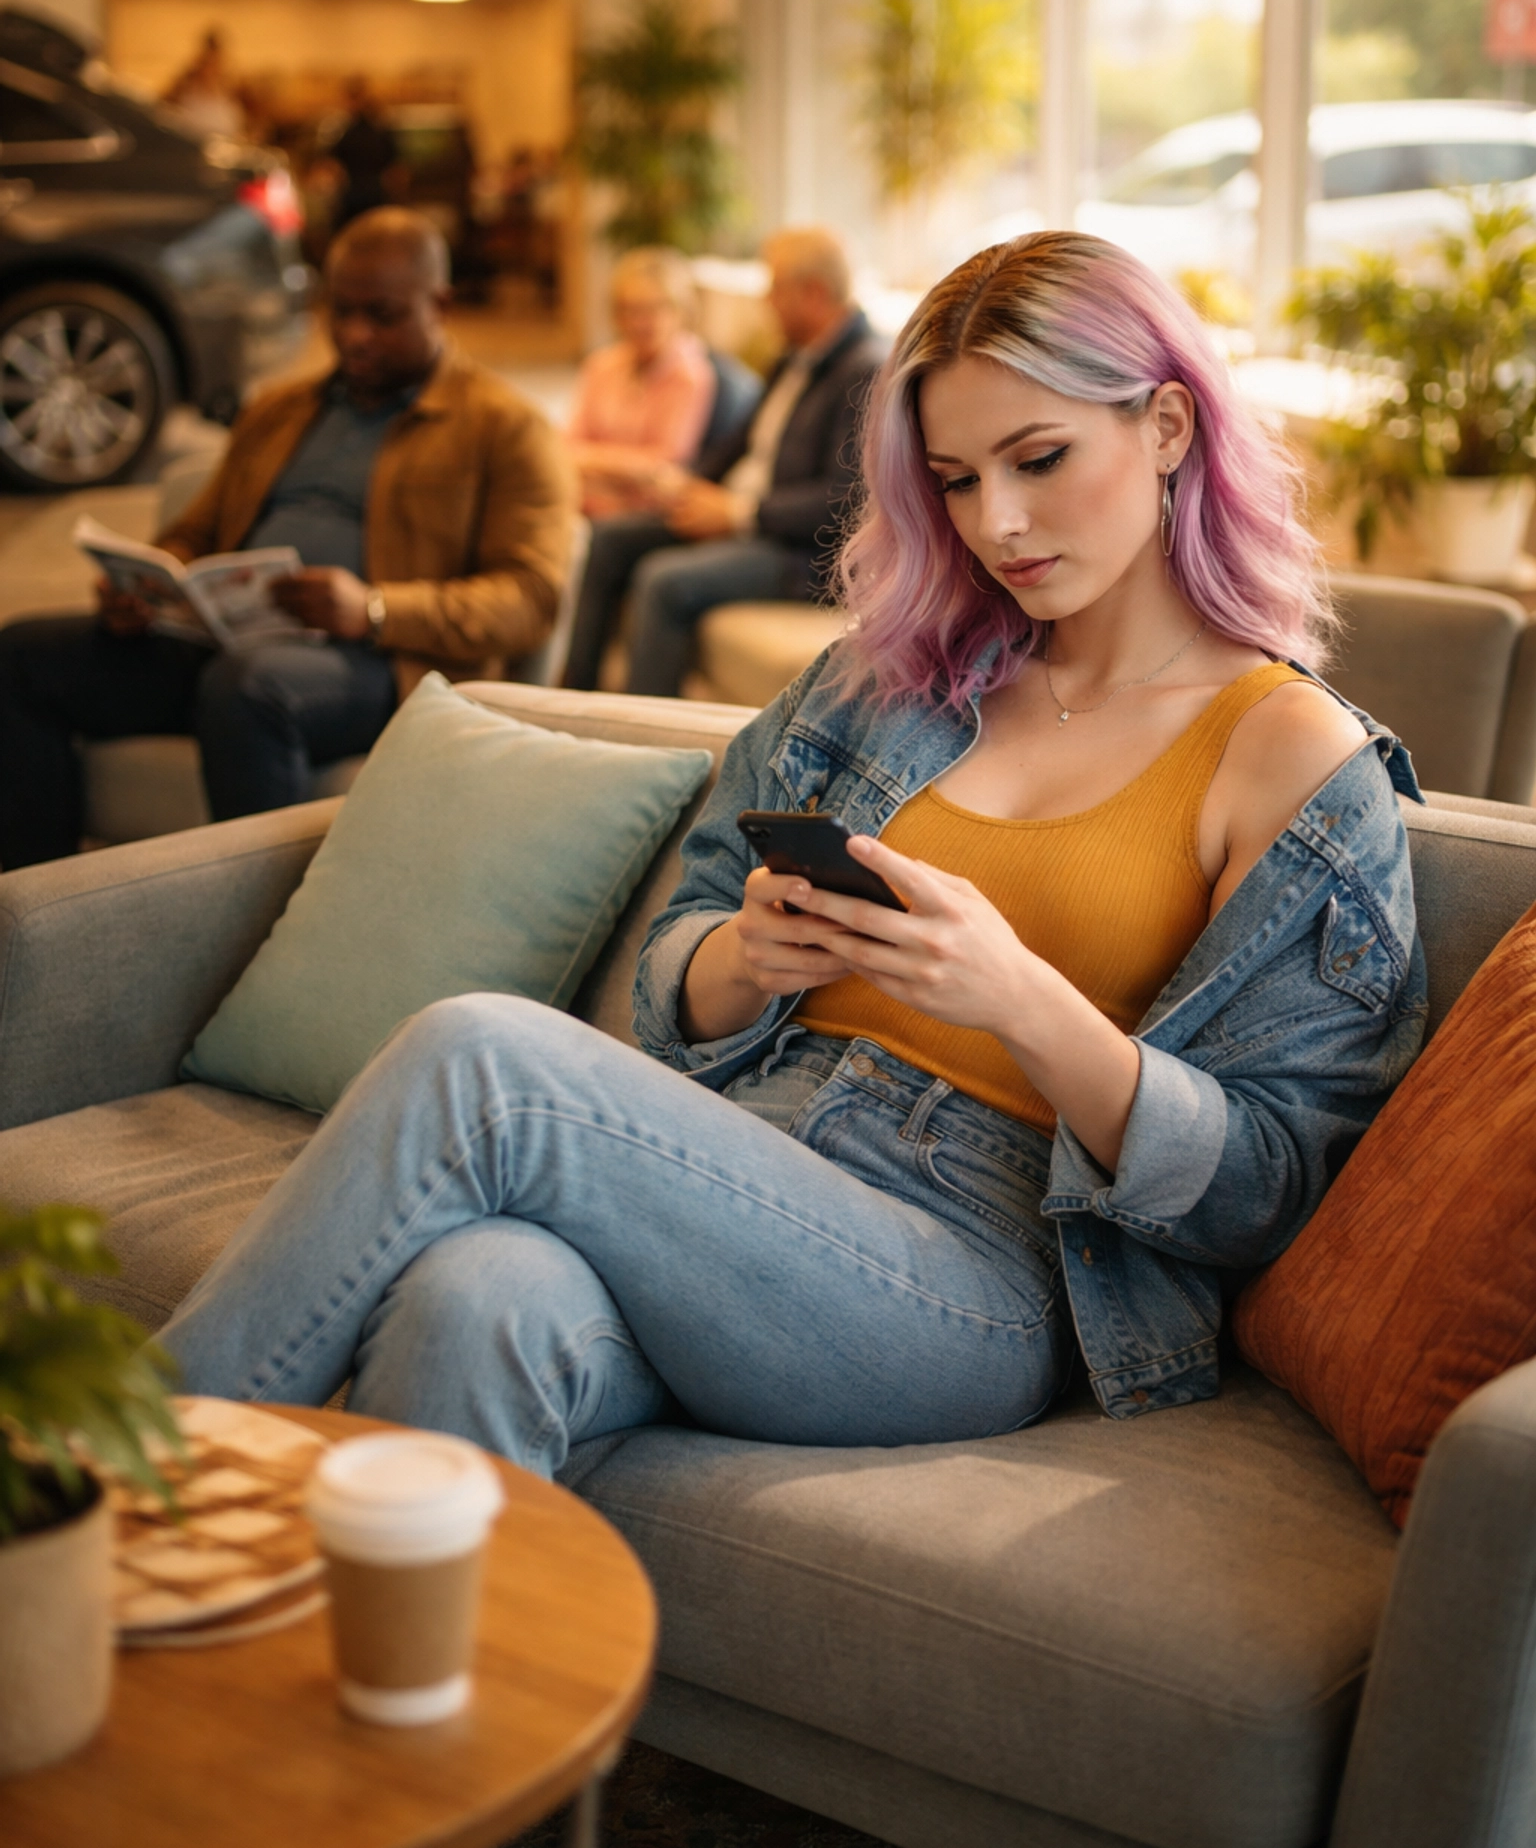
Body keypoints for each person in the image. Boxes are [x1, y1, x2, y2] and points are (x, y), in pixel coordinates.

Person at [162, 230, 1425, 1470]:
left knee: (482, 1055)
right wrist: (745, 958)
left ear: (1166, 426)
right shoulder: (883, 682)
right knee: (474, 1297)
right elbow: (680, 964)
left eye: (1039, 458)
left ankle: (120, 1483)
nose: (1001, 521)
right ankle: (368, 1674)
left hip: (977, 1267)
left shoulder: (1292, 759)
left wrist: (1021, 998)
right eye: (956, 478)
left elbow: (1267, 1189)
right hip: (748, 1153)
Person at [0, 209, 572, 868]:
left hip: (381, 664)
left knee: (248, 688)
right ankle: (38, 907)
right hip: (224, 639)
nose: (355, 337)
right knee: (22, 654)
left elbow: (530, 597)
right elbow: (196, 531)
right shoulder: (281, 409)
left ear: (438, 304)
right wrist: (149, 585)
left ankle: (269, 939)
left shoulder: (505, 428)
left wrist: (374, 608)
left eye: (382, 316)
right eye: (343, 313)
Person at [562, 226, 885, 697]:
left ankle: (646, 735)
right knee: (611, 539)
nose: (766, 303)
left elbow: (843, 502)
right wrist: (685, 486)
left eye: (774, 289)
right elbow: (737, 445)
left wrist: (737, 514)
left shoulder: (865, 368)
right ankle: (576, 696)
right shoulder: (794, 357)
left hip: (803, 554)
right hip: (749, 517)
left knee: (663, 580)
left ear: (813, 293)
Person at [564, 249, 717, 518]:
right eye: (628, 310)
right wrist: (622, 467)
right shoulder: (601, 364)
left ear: (680, 310)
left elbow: (664, 464)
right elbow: (569, 443)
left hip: (647, 509)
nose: (639, 322)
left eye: (652, 309)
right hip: (588, 494)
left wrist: (591, 460)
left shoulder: (689, 375)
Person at [329, 79, 397, 233]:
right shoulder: (381, 132)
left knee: (353, 233)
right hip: (376, 193)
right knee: (376, 232)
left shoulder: (347, 133)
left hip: (353, 193)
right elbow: (394, 171)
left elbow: (334, 167)